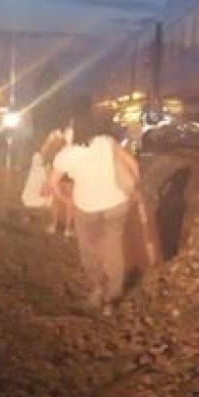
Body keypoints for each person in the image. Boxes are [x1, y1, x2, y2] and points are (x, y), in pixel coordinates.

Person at [50, 117, 140, 314]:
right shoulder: (106, 142)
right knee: (113, 247)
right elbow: (132, 164)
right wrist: (133, 188)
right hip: (116, 203)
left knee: (89, 249)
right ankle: (112, 298)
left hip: (86, 207)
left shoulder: (65, 155)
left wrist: (66, 200)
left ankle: (97, 289)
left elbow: (54, 183)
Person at [37, 129, 74, 237]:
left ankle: (54, 225)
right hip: (67, 177)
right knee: (68, 202)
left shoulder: (51, 150)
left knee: (56, 202)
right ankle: (67, 228)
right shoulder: (66, 149)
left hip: (58, 178)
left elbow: (43, 156)